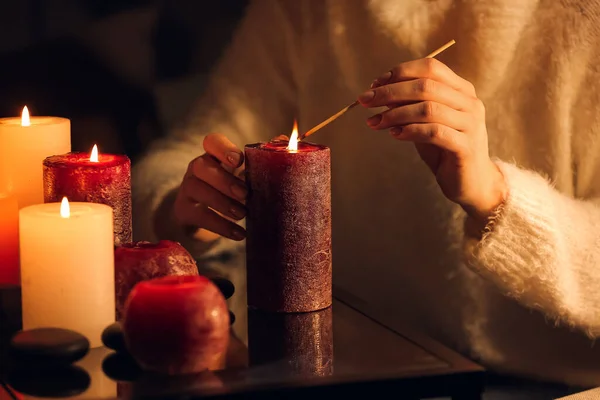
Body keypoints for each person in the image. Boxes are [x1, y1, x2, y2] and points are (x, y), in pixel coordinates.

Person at [131, 0, 600, 390]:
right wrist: (184, 204)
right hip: (349, 372)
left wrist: (495, 195)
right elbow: (179, 156)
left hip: (553, 385)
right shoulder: (303, 11)